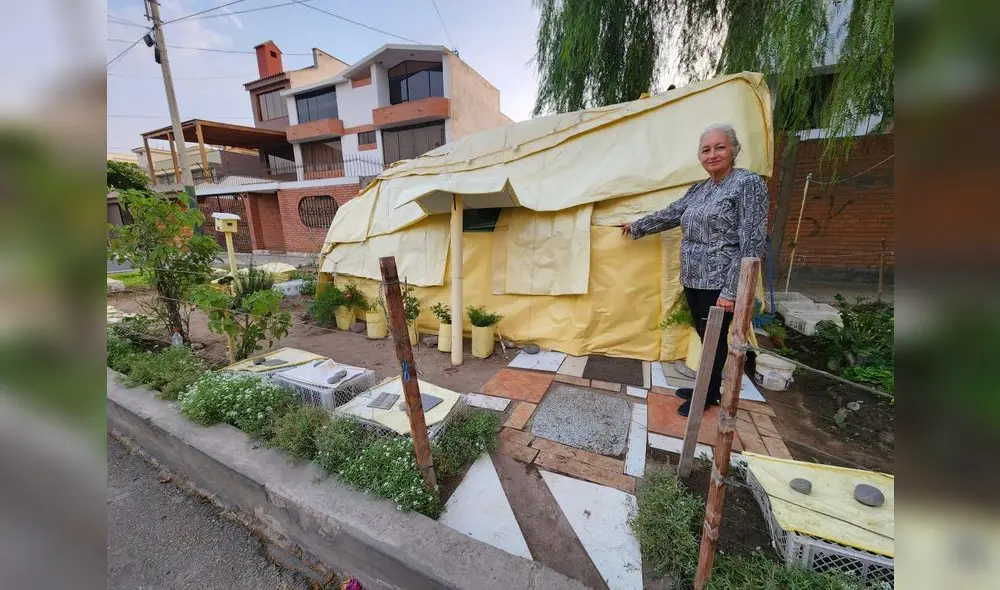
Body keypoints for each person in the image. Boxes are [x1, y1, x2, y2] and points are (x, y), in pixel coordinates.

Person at [621, 123, 768, 416]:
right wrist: (637, 226)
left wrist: (731, 290)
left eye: (719, 147)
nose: (712, 154)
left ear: (734, 150)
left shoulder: (747, 184)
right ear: (700, 156)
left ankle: (707, 396)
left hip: (721, 282)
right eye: (706, 149)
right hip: (694, 278)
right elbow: (672, 213)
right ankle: (709, 389)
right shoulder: (700, 189)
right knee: (706, 337)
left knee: (714, 338)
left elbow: (751, 241)